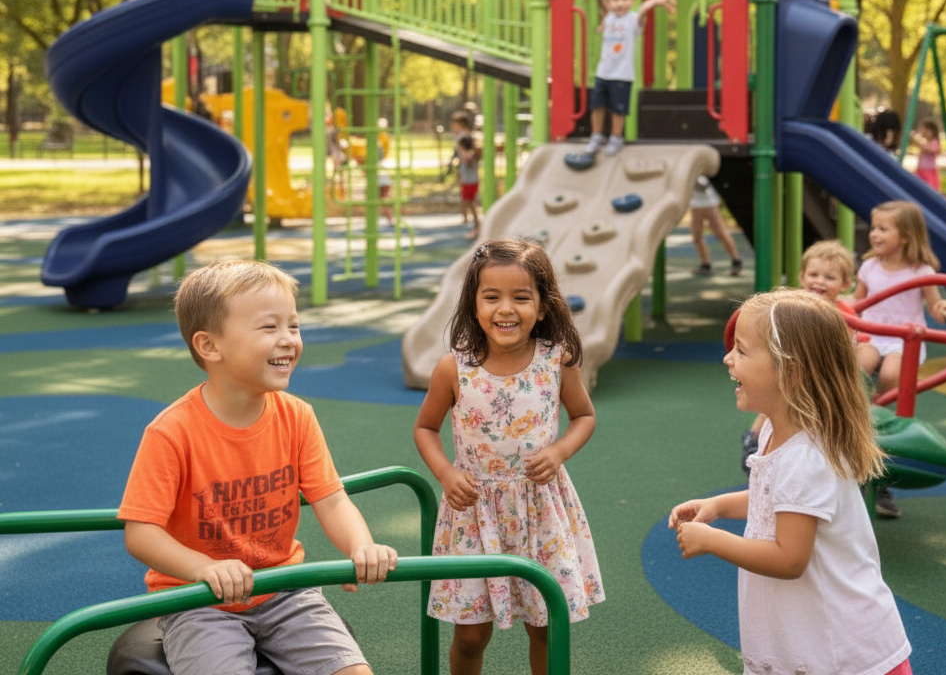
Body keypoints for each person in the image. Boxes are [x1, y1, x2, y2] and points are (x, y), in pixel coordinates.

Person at [118, 260, 397, 675]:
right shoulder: (172, 432)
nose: (288, 340)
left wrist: (360, 544)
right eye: (269, 328)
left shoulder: (297, 416)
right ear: (210, 346)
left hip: (283, 591)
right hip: (200, 601)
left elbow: (331, 498)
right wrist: (204, 568)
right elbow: (141, 532)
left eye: (294, 326)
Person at [670, 289, 913, 675]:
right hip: (807, 640)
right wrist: (718, 506)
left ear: (791, 371)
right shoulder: (774, 432)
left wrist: (713, 540)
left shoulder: (806, 457)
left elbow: (789, 558)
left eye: (742, 351)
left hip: (843, 654)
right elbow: (773, 498)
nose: (727, 358)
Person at [414, 239, 604, 675]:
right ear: (473, 305)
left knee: (544, 624)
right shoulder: (454, 368)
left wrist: (559, 451)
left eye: (521, 297)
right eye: (491, 296)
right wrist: (445, 472)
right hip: (473, 512)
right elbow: (425, 428)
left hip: (540, 510)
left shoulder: (556, 361)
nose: (506, 308)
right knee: (470, 633)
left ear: (541, 307)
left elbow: (584, 416)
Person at [853, 199, 946, 518]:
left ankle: (882, 424)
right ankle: (860, 408)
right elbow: (857, 301)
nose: (875, 234)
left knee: (890, 376)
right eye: (874, 227)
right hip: (872, 333)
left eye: (883, 229)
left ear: (906, 236)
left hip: (903, 340)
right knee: (857, 366)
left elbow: (934, 305)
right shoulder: (869, 266)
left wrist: (943, 311)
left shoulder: (921, 271)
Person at [741, 240, 856, 473]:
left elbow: (848, 348)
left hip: (823, 375)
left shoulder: (845, 314)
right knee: (777, 396)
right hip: (794, 370)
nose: (819, 281)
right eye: (813, 274)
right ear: (802, 277)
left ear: (845, 284)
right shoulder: (793, 307)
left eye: (829, 278)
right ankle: (753, 438)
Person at [580, 0, 676, 158]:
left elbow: (644, 10)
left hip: (622, 75)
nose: (620, 3)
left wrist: (657, 2)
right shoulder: (608, 18)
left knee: (618, 109)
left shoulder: (633, 21)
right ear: (608, 3)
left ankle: (616, 138)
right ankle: (596, 136)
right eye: (615, 0)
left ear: (632, 1)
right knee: (597, 106)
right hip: (603, 72)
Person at [689, 176, 743, 277]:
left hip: (709, 203)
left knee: (720, 232)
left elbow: (703, 184)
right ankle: (706, 264)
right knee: (696, 235)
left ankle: (736, 260)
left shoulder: (705, 168)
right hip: (695, 204)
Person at [455, 133, 480, 239]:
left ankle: (477, 224)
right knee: (467, 203)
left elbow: (469, 161)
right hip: (467, 182)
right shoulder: (466, 154)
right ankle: (473, 223)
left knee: (470, 203)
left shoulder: (468, 154)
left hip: (471, 182)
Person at [909, 119, 941, 191]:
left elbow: (930, 150)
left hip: (929, 171)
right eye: (922, 130)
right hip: (920, 170)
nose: (923, 132)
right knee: (917, 188)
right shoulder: (924, 142)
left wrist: (918, 141)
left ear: (932, 132)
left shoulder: (934, 142)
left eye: (926, 130)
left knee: (930, 188)